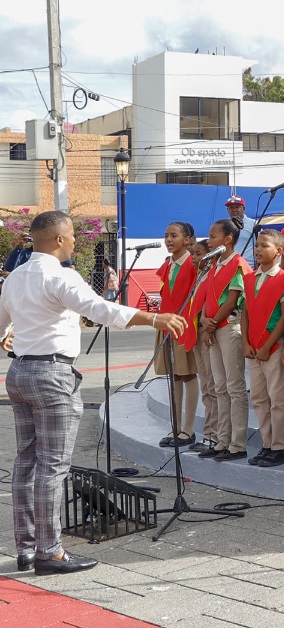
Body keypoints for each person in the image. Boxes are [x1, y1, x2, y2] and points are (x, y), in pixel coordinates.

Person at [0, 210, 185, 575]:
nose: (71, 242)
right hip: (52, 374)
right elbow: (99, 309)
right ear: (57, 240)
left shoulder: (16, 276)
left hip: (19, 371)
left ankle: (25, 547)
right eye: (69, 237)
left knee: (26, 462)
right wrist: (153, 317)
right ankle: (49, 551)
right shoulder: (60, 275)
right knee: (52, 466)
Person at [197, 219, 253, 462]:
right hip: (212, 328)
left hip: (229, 326)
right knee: (219, 386)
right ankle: (222, 441)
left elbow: (231, 300)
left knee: (234, 386)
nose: (209, 241)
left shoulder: (238, 264)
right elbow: (206, 297)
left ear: (228, 239)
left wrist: (212, 323)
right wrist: (204, 322)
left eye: (213, 236)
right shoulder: (213, 265)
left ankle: (237, 444)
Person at [242, 229, 284, 467]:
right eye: (257, 246)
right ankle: (267, 443)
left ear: (279, 251)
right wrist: (245, 342)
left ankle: (280, 447)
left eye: (265, 246)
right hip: (253, 346)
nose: (258, 249)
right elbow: (246, 313)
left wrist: (269, 345)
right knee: (260, 398)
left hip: (272, 346)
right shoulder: (249, 278)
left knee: (277, 399)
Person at [154, 222, 200, 448]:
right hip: (167, 324)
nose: (169, 240)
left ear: (188, 239)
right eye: (166, 235)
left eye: (174, 235)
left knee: (187, 374)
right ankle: (175, 427)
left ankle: (188, 429)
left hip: (184, 324)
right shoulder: (167, 264)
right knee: (174, 376)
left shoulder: (194, 264)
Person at [186, 239, 219, 454]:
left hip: (208, 334)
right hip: (196, 332)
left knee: (214, 386)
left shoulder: (213, 275)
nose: (194, 258)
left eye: (199, 254)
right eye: (193, 254)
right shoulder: (199, 276)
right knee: (206, 385)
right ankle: (208, 433)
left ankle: (216, 436)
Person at [225, 194, 256, 267]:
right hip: (228, 266)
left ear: (244, 209)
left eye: (237, 207)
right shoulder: (224, 225)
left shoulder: (253, 224)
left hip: (248, 266)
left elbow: (259, 245)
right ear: (227, 210)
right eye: (231, 207)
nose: (234, 210)